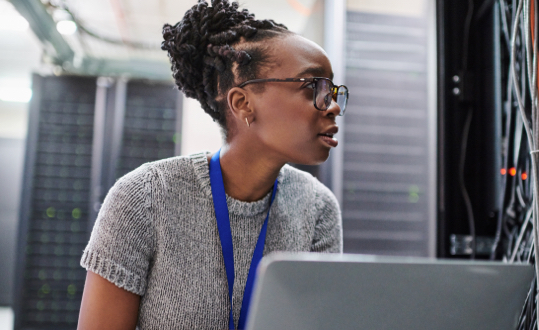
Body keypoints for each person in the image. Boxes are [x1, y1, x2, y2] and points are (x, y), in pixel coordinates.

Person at [76, 0, 348, 329]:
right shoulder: (143, 197)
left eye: (333, 90)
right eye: (313, 87)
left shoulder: (318, 209)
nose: (332, 106)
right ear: (243, 103)